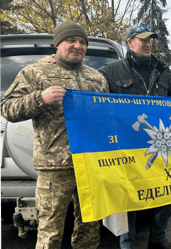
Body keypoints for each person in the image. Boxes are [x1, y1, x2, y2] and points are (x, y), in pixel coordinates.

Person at [1, 20, 107, 249]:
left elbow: (107, 116)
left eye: (82, 42)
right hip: (55, 165)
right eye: (71, 40)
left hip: (90, 162)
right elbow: (7, 108)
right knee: (50, 230)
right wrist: (40, 98)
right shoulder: (35, 72)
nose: (77, 46)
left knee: (90, 226)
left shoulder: (97, 78)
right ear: (58, 43)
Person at [98, 25, 171, 249]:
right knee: (128, 196)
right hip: (127, 146)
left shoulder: (161, 71)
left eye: (150, 39)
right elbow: (89, 96)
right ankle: (128, 243)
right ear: (129, 42)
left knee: (164, 193)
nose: (147, 43)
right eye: (142, 39)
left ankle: (158, 240)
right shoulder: (110, 72)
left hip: (159, 144)